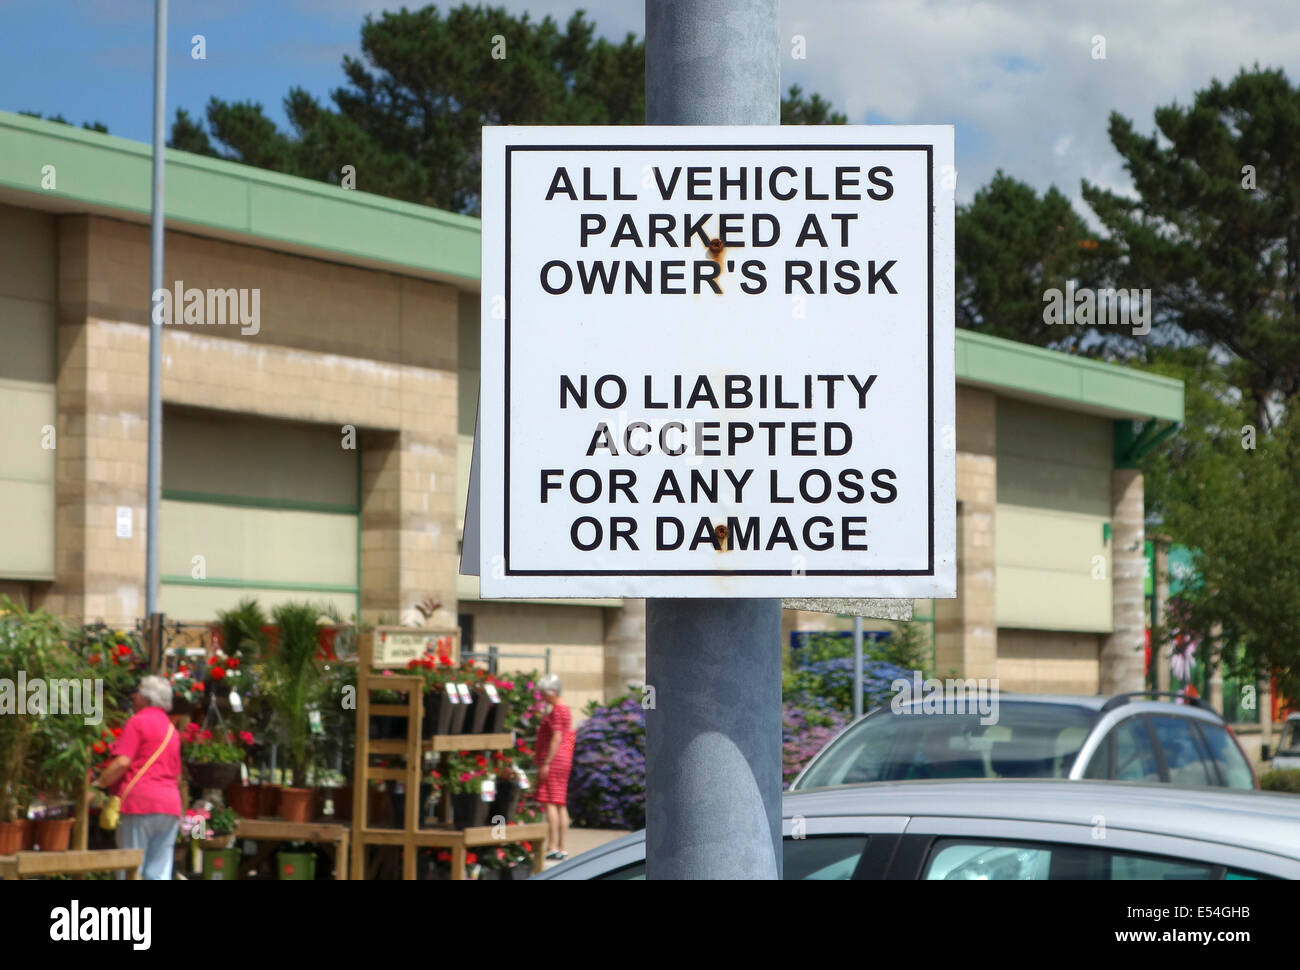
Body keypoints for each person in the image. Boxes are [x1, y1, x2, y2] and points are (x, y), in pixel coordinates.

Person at [92, 674, 182, 880]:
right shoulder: (172, 730)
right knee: (158, 873)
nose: (133, 696)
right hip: (169, 807)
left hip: (139, 803)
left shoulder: (138, 722)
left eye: (138, 693)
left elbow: (122, 762)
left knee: (129, 868)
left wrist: (98, 784)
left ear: (146, 699)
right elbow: (177, 776)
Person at [534, 673, 575, 861]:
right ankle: (561, 846)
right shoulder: (565, 709)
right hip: (563, 759)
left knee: (550, 801)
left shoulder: (557, 710)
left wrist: (547, 762)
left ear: (553, 691)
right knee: (560, 802)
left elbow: (557, 736)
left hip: (554, 760)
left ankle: (552, 846)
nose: (542, 696)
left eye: (544, 693)